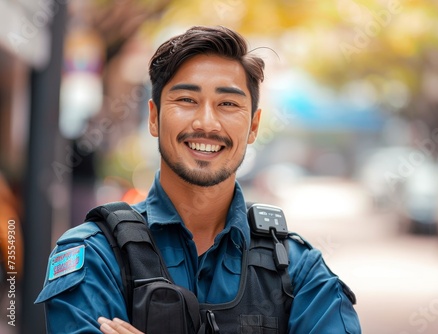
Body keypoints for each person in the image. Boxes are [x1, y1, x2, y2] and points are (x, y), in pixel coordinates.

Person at [36, 25, 362, 333]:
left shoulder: (298, 270)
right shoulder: (96, 256)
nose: (207, 122)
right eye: (187, 100)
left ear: (253, 126)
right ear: (153, 117)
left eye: (228, 104)